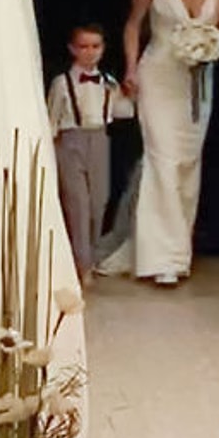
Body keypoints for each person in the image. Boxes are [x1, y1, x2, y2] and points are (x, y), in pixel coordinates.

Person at [121, 0, 219, 286]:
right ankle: (160, 259)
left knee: (187, 163)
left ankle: (178, 251)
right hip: (158, 77)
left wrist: (208, 49)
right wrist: (130, 69)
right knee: (163, 160)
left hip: (196, 81)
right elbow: (133, 24)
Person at [47, 21, 130, 285]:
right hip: (71, 140)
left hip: (99, 139)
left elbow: (123, 111)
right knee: (78, 204)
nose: (90, 52)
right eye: (83, 47)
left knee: (98, 202)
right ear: (73, 49)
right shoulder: (62, 83)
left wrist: (129, 93)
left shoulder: (107, 82)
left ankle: (89, 257)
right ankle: (81, 265)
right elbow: (52, 119)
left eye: (95, 46)